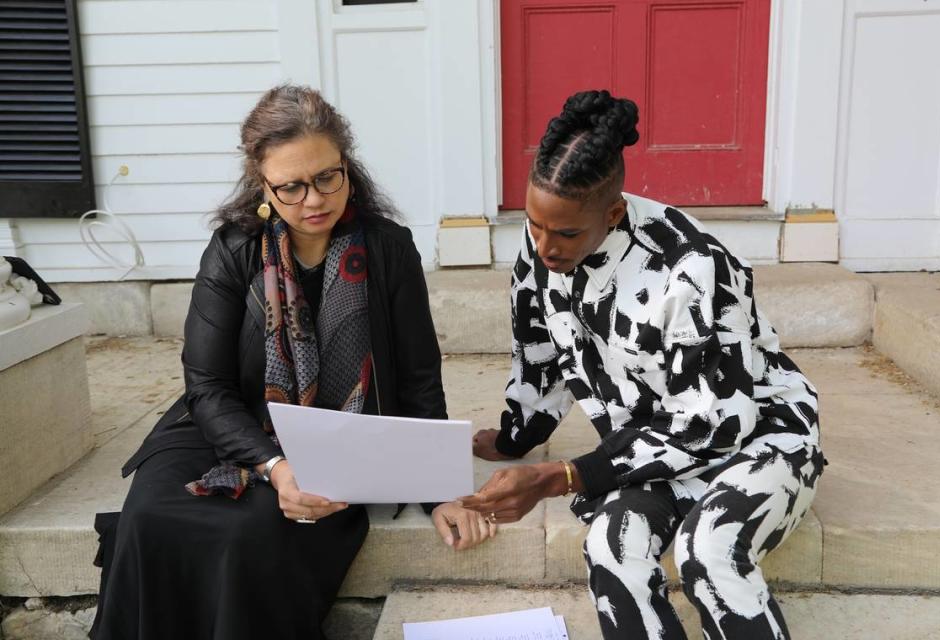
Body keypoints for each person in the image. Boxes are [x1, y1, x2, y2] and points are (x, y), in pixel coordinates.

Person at [90, 84, 495, 640]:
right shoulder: (233, 250)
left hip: (336, 441)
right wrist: (275, 467)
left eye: (328, 176)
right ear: (263, 185)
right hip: (224, 432)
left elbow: (420, 379)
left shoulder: (387, 248)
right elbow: (206, 387)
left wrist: (441, 489)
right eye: (291, 187)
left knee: (250, 534)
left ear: (347, 167)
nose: (314, 199)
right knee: (149, 518)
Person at [464, 90, 825, 639]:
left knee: (710, 550)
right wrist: (518, 438)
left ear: (613, 212)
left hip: (758, 433)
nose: (544, 246)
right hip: (654, 449)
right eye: (535, 224)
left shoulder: (692, 268)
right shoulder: (543, 240)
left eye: (564, 233)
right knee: (611, 546)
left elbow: (712, 423)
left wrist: (565, 475)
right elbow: (541, 349)